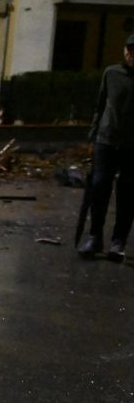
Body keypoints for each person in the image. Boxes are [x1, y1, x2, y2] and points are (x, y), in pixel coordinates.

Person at [78, 33, 134, 262]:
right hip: (106, 139)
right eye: (129, 49)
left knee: (127, 192)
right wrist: (92, 137)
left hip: (132, 145)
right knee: (100, 186)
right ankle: (94, 236)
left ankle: (118, 241)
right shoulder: (112, 74)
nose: (131, 54)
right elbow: (100, 106)